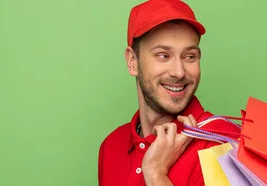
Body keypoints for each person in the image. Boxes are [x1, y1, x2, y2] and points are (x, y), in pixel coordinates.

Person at [97, 0, 241, 185]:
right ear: (133, 61)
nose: (179, 72)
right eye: (163, 55)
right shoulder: (112, 146)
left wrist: (156, 175)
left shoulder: (225, 146)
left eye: (189, 56)